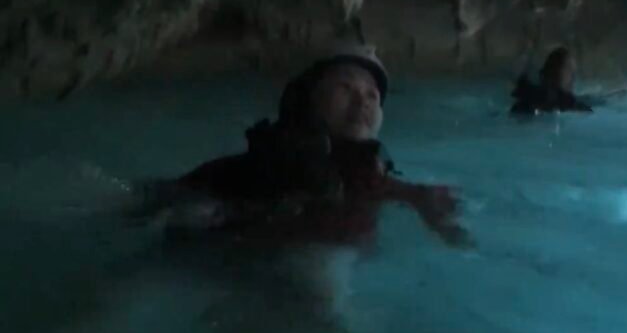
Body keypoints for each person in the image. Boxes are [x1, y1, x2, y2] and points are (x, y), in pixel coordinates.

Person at [132, 45, 467, 248]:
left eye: (372, 96)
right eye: (345, 88)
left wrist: (419, 198)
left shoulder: (369, 171)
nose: (362, 102)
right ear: (307, 99)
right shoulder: (281, 158)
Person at [510, 46, 627, 116]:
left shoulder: (528, 90)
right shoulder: (563, 99)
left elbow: (586, 99)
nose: (573, 77)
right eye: (569, 71)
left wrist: (614, 94)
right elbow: (582, 105)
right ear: (555, 71)